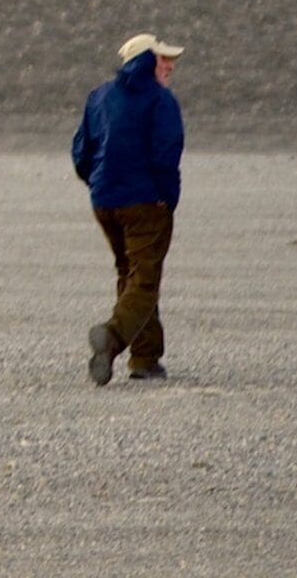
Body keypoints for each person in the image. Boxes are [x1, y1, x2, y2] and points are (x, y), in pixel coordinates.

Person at [71, 33, 184, 386]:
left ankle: (146, 359)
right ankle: (113, 336)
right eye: (163, 59)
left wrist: (99, 184)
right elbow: (166, 155)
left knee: (131, 274)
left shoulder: (100, 96)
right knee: (145, 279)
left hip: (106, 202)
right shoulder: (159, 100)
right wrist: (168, 199)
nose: (169, 66)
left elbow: (80, 152)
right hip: (145, 202)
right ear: (146, 61)